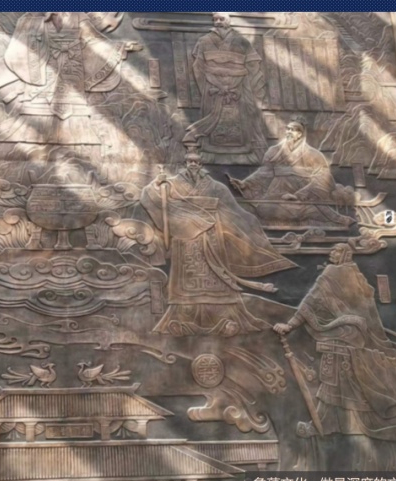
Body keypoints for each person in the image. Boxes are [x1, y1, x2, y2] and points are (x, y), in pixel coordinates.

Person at [273, 243, 396, 440]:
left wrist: (290, 325)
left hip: (345, 336)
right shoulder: (355, 275)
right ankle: (330, 423)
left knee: (349, 383)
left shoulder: (333, 273)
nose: (331, 253)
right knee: (339, 382)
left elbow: (311, 301)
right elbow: (360, 310)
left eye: (336, 250)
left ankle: (347, 424)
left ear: (344, 254)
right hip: (354, 337)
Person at [139, 147, 296, 336]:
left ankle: (227, 318)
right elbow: (148, 193)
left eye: (196, 162)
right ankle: (182, 319)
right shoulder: (171, 183)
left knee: (217, 274)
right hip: (185, 237)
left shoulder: (215, 186)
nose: (193, 165)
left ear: (201, 164)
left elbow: (232, 208)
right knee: (187, 278)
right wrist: (157, 182)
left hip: (212, 233)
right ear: (185, 163)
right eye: (190, 161)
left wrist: (247, 223)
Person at [0, 12, 140, 145]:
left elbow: (94, 41)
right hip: (45, 71)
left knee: (77, 118)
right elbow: (20, 47)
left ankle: (81, 143)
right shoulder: (31, 19)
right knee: (35, 116)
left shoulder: (78, 16)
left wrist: (119, 46)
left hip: (73, 71)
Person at [230, 121, 361, 229]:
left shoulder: (313, 154)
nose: (288, 132)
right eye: (287, 129)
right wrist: (245, 183)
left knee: (309, 209)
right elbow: (264, 172)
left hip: (304, 194)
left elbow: (324, 177)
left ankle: (329, 218)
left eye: (292, 130)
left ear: (300, 134)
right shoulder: (274, 152)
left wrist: (299, 195)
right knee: (264, 210)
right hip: (277, 192)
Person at [184, 13, 268, 165]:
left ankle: (244, 152)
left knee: (242, 118)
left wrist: (250, 86)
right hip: (213, 87)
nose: (218, 22)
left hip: (239, 86)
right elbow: (198, 66)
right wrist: (208, 86)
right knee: (212, 117)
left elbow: (253, 65)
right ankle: (209, 153)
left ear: (229, 21)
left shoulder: (242, 41)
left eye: (221, 19)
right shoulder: (204, 41)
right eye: (215, 19)